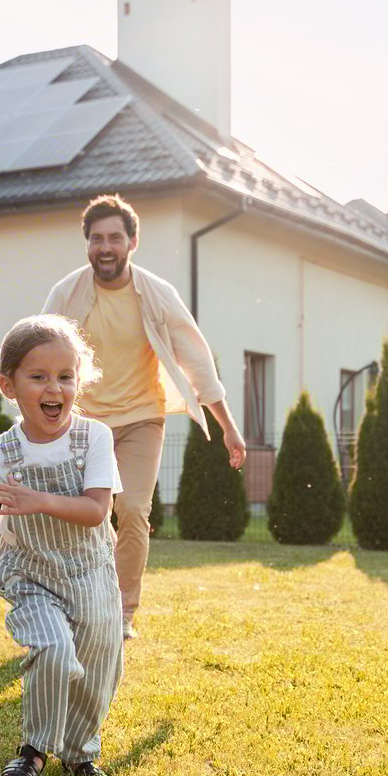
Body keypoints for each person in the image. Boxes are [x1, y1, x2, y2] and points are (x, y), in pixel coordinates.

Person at [40, 194, 245, 639]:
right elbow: (36, 351)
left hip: (140, 418)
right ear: (87, 244)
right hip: (83, 424)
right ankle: (79, 601)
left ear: (133, 242)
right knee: (82, 517)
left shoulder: (156, 294)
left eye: (115, 237)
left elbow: (197, 361)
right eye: (96, 239)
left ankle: (123, 613)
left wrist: (227, 426)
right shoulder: (66, 293)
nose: (105, 247)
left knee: (132, 509)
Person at [0, 314, 124, 776]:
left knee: (100, 663)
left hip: (90, 572)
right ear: (9, 385)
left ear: (78, 381)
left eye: (66, 376)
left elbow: (95, 510)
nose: (55, 388)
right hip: (32, 575)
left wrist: (36, 500)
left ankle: (80, 752)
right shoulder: (1, 455)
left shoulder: (95, 439)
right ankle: (33, 753)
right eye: (38, 376)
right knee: (54, 648)